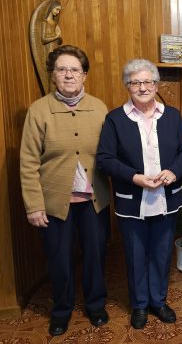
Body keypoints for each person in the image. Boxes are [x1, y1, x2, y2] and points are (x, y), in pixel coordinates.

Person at [96, 59, 182, 329]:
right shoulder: (115, 119)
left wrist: (173, 171)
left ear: (156, 85)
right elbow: (105, 158)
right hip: (132, 201)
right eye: (135, 82)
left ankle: (158, 302)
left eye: (147, 81)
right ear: (127, 86)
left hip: (167, 198)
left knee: (162, 254)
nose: (142, 87)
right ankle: (139, 305)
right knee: (136, 256)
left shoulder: (171, 116)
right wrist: (134, 177)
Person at [19, 45, 111, 336]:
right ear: (53, 75)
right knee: (59, 259)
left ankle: (96, 306)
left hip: (93, 200)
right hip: (55, 203)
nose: (68, 75)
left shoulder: (99, 107)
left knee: (96, 256)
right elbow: (28, 161)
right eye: (62, 69)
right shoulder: (39, 110)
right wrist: (34, 205)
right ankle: (62, 310)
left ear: (84, 75)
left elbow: (110, 154)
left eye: (75, 70)